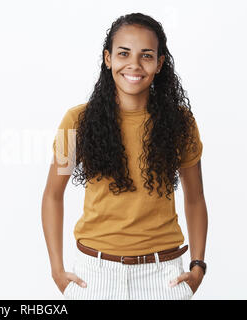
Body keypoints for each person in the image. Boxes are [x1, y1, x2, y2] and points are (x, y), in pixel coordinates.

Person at [41, 12, 208, 300]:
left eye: (146, 55)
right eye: (123, 53)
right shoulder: (76, 120)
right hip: (93, 276)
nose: (134, 64)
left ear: (159, 63)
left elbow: (195, 198)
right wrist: (57, 270)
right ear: (108, 59)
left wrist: (197, 267)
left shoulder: (181, 122)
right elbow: (53, 195)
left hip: (163, 276)